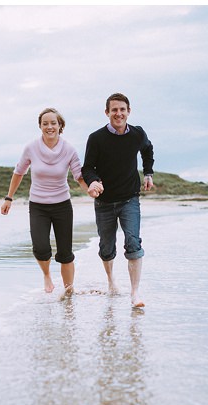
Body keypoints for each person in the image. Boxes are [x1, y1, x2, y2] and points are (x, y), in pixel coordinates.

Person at [1, 107, 90, 297]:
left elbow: (79, 176)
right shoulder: (31, 148)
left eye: (53, 123)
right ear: (40, 126)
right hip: (38, 205)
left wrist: (91, 190)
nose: (49, 126)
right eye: (45, 123)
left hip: (62, 205)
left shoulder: (69, 150)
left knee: (65, 253)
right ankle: (47, 274)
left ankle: (68, 291)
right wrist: (9, 198)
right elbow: (19, 172)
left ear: (60, 126)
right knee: (41, 248)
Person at [82, 92, 155, 308]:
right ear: (107, 113)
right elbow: (88, 167)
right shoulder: (96, 138)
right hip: (104, 201)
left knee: (133, 242)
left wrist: (148, 173)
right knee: (106, 247)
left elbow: (148, 150)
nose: (118, 113)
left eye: (122, 109)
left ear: (129, 111)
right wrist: (94, 181)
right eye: (114, 109)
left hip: (129, 198)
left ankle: (135, 294)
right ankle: (111, 281)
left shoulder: (137, 134)